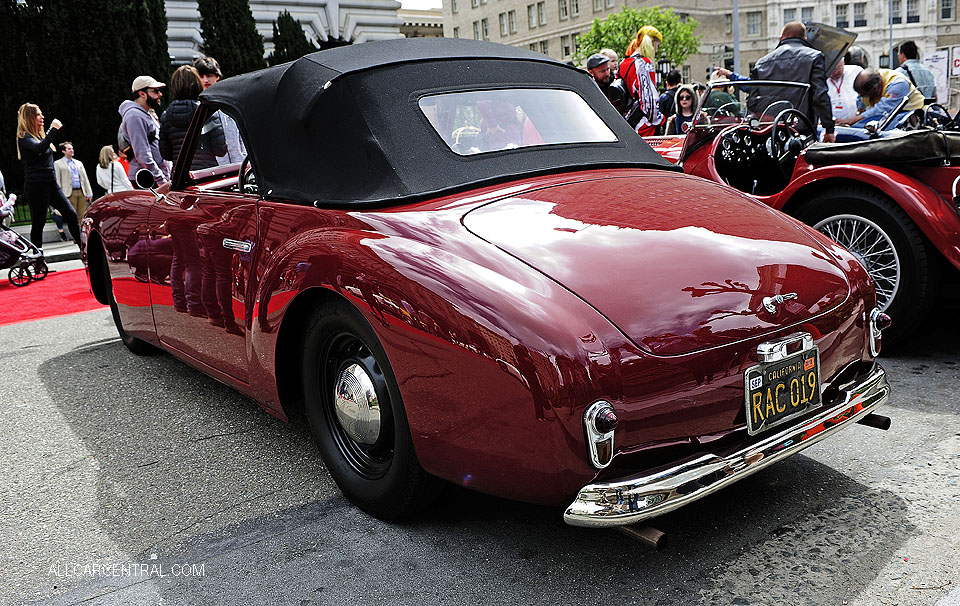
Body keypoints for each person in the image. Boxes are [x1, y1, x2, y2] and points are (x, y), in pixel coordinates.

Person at [750, 22, 836, 143]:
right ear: (804, 38)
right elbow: (820, 95)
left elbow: (753, 102)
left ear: (781, 37)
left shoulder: (761, 63)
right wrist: (829, 129)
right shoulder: (814, 57)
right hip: (802, 131)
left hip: (770, 132)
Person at [15, 103, 81, 247]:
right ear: (29, 117)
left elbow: (43, 146)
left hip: (51, 183)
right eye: (38, 114)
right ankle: (38, 256)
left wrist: (49, 132)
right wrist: (53, 129)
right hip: (36, 185)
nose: (42, 116)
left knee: (71, 214)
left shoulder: (40, 136)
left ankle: (85, 249)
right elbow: (39, 148)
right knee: (39, 223)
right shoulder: (24, 137)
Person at [159, 65, 226, 170]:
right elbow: (220, 150)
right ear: (197, 84)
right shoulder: (207, 112)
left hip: (179, 176)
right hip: (206, 174)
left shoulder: (166, 116)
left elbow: (166, 154)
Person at [193, 56, 246, 165]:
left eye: (209, 76)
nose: (205, 80)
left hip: (239, 166)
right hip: (213, 169)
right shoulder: (196, 107)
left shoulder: (229, 101)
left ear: (217, 76)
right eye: (201, 76)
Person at [119, 75, 170, 184]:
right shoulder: (134, 116)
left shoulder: (144, 113)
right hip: (147, 179)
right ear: (142, 94)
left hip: (154, 177)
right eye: (155, 91)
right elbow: (142, 153)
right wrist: (160, 179)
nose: (160, 94)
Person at [837, 67, 925, 128]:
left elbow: (882, 110)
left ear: (875, 89)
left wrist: (852, 120)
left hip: (917, 118)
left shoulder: (898, 84)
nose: (863, 98)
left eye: (865, 95)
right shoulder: (870, 81)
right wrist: (860, 110)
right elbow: (860, 98)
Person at [618, 25, 664, 136]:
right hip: (644, 125)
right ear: (651, 43)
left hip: (627, 122)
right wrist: (660, 118)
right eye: (657, 46)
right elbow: (649, 99)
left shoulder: (623, 63)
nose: (656, 50)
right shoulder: (644, 63)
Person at [53, 141, 93, 220]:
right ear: (63, 151)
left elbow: (85, 179)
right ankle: (74, 232)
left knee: (82, 215)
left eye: (72, 148)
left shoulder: (78, 163)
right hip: (69, 193)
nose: (72, 150)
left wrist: (89, 193)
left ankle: (81, 232)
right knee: (72, 215)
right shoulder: (58, 163)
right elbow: (57, 181)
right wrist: (60, 196)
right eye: (69, 149)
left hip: (81, 192)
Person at [827, 58, 863, 122]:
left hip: (855, 123)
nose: (835, 72)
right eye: (831, 69)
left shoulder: (856, 71)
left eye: (838, 68)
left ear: (843, 64)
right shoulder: (820, 77)